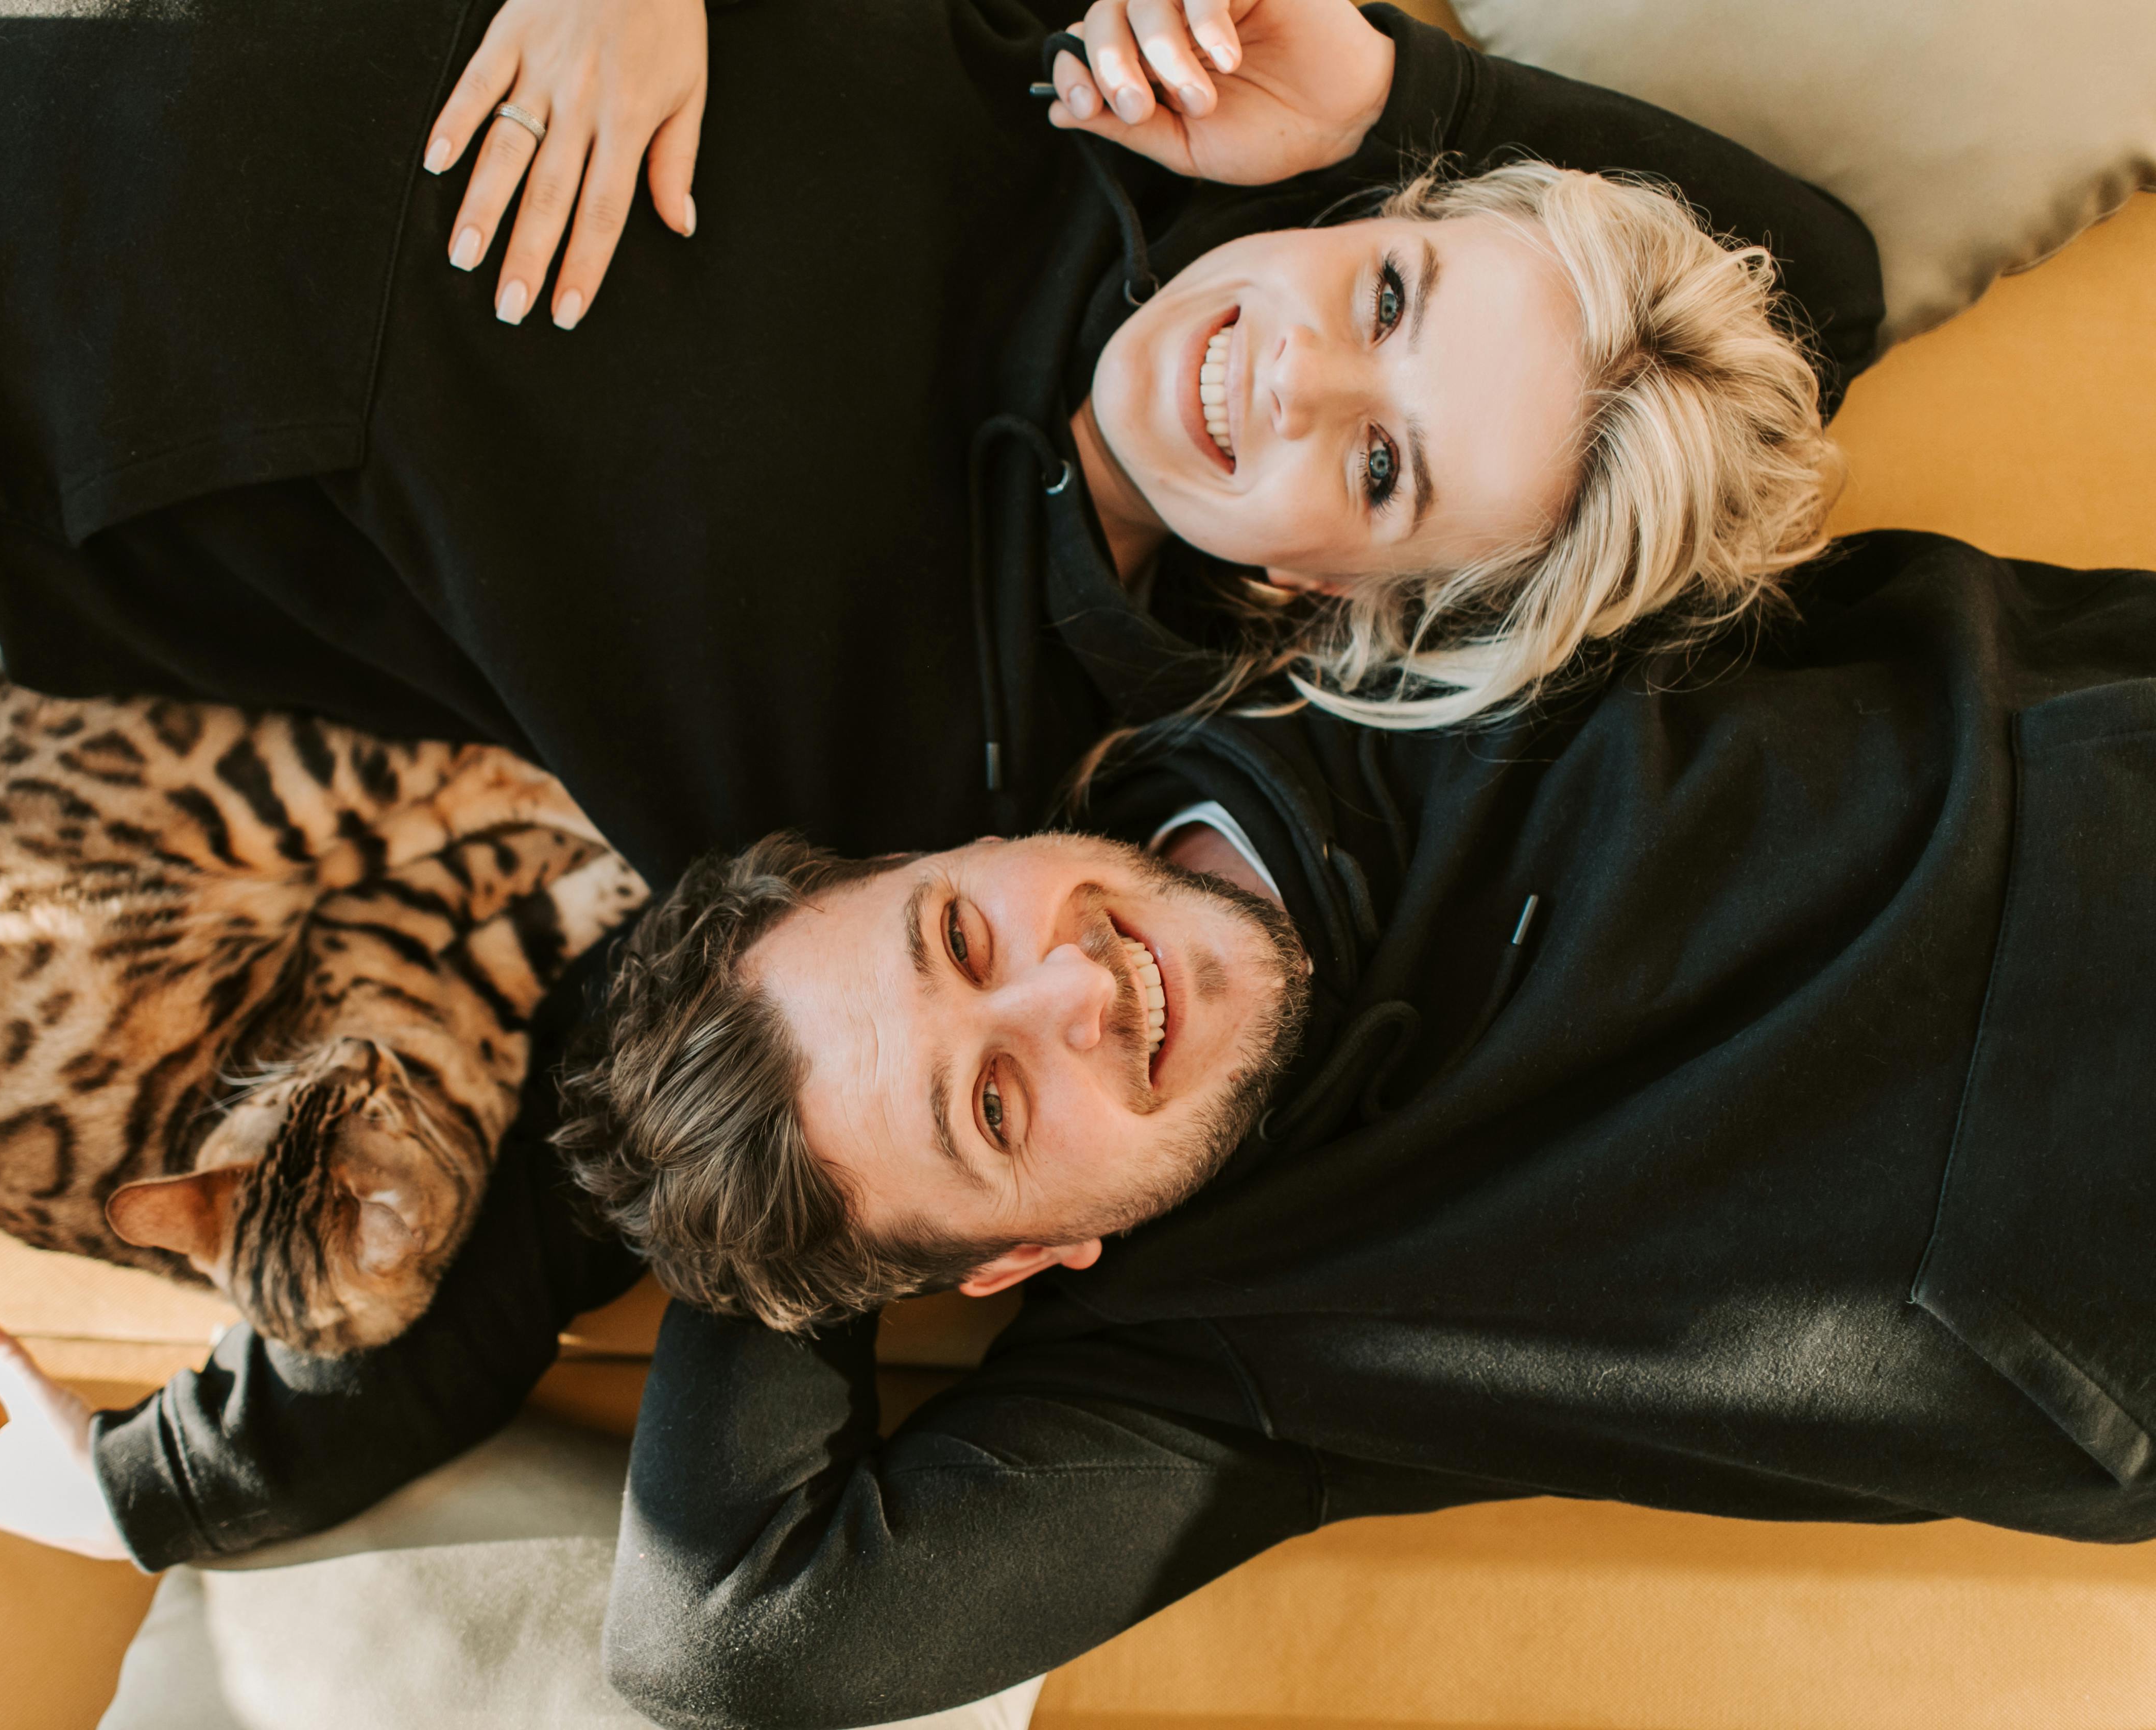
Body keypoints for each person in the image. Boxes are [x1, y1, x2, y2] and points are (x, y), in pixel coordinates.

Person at [0, 0, 1880, 889]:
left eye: (1379, 471)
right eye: (1387, 293)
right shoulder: (1072, 68)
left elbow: (708, 1167)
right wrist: (1402, 100)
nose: (1287, 373)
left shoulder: (928, 783)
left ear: (1346, 598)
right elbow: (1820, 272)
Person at [549, 528, 2156, 1724]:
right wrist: (744, 1205)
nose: (1075, 992)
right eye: (992, 1106)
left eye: (960, 932)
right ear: (1026, 1254)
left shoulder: (1290, 609)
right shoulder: (1226, 1360)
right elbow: (726, 1643)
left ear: (955, 839)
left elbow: (1793, 285)